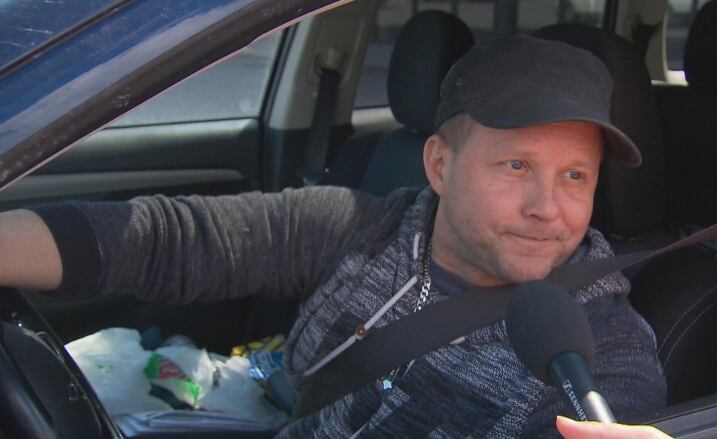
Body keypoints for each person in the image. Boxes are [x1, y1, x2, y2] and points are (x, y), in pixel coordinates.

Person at [0, 35, 671, 437]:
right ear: (439, 164)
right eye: (516, 165)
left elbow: (616, 413)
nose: (546, 208)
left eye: (575, 175)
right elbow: (165, 240)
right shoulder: (360, 227)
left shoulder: (596, 350)